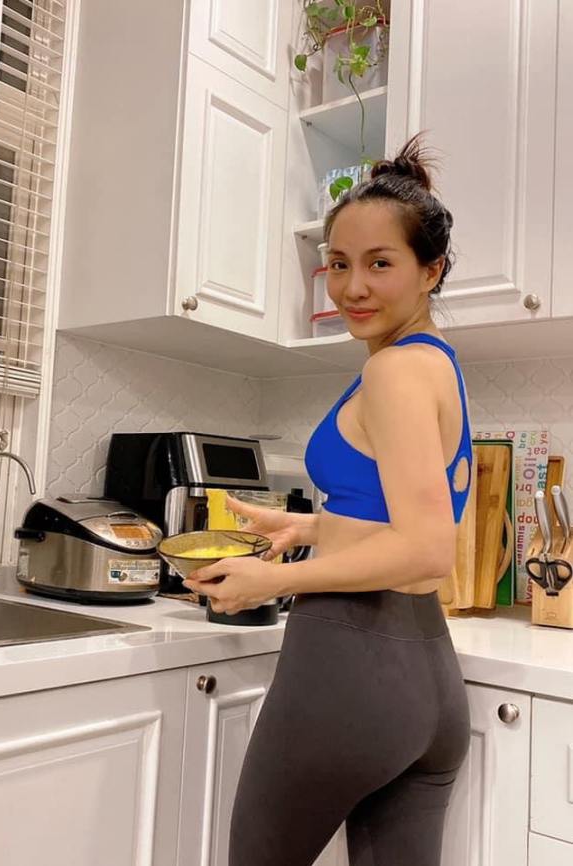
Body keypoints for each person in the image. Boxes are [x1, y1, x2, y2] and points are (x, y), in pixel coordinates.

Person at [183, 133, 473, 866]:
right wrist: (307, 525)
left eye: (380, 263)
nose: (352, 288)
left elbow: (428, 549)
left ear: (430, 270)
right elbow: (397, 515)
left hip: (350, 670)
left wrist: (271, 580)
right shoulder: (436, 364)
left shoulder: (393, 373)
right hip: (429, 683)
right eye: (338, 264)